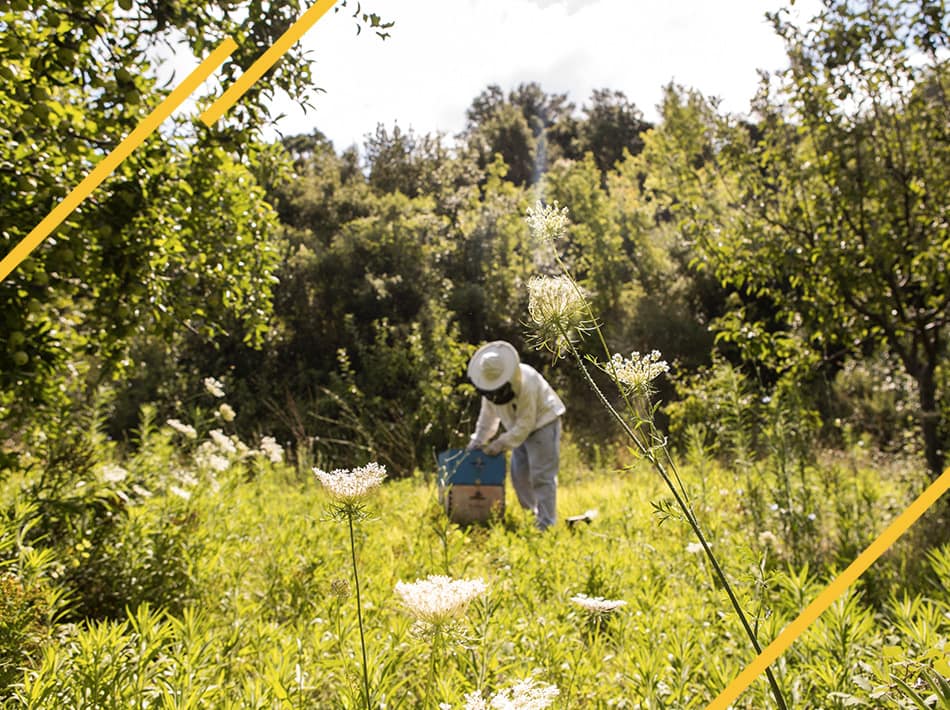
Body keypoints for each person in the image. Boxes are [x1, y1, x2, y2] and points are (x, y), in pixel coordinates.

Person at [466, 341, 565, 530]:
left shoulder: (527, 381)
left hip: (543, 423)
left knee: (541, 476)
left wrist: (499, 444)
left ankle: (546, 525)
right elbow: (487, 420)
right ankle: (532, 517)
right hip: (516, 431)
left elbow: (526, 423)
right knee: (519, 476)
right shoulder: (489, 387)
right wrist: (476, 443)